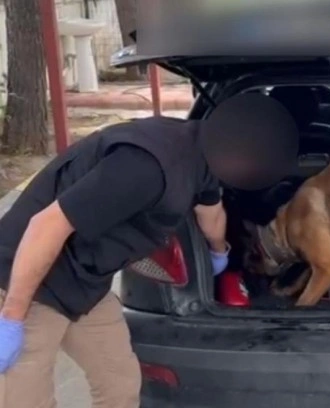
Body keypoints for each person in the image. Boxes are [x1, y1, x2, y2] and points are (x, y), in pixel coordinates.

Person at [0, 92, 299, 408]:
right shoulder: (146, 168)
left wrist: (219, 253)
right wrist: (12, 318)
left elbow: (210, 213)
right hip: (27, 279)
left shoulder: (204, 155)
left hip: (86, 283)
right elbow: (46, 226)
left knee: (120, 385)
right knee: (26, 401)